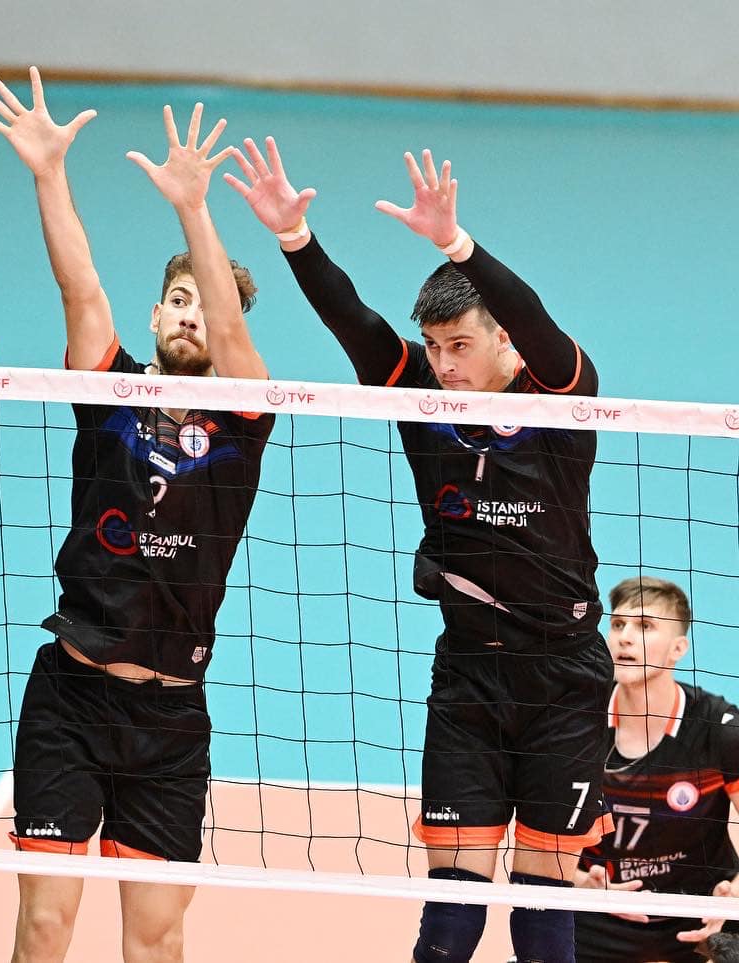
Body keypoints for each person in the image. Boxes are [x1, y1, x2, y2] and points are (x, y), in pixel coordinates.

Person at [226, 136, 612, 962]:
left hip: (566, 681)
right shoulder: (421, 398)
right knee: (450, 922)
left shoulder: (562, 396)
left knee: (543, 911)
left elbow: (536, 318)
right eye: (433, 347)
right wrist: (294, 236)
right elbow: (354, 321)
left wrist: (457, 244)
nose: (443, 365)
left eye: (459, 345)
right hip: (469, 677)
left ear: (505, 343)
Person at [0, 69, 275, 963]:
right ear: (155, 314)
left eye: (207, 306)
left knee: (155, 938)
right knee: (44, 925)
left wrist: (194, 210)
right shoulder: (110, 393)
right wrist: (48, 173)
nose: (191, 316)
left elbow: (232, 338)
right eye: (178, 300)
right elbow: (80, 291)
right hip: (71, 698)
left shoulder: (244, 417)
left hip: (171, 719)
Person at [572, 577, 739, 963]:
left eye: (645, 626)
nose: (625, 638)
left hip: (703, 909)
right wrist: (582, 884)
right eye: (618, 624)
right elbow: (536, 847)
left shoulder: (719, 729)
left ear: (678, 648)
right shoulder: (575, 721)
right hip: (600, 906)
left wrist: (734, 895)